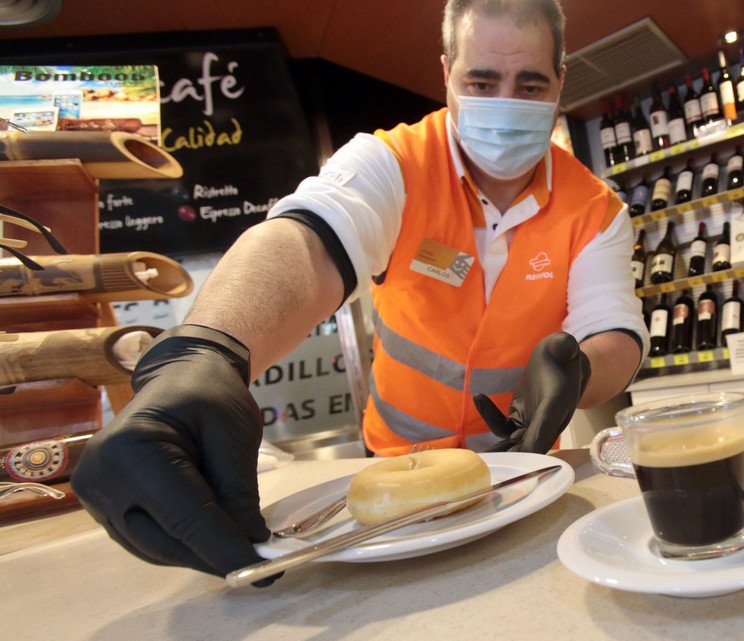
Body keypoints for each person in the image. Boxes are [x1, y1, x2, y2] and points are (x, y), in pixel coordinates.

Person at [70, 0, 647, 585]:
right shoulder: (390, 163)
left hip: (524, 472)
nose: (505, 102)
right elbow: (308, 241)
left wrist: (580, 371)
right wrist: (206, 351)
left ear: (560, 82)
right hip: (396, 470)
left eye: (530, 84)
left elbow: (615, 330)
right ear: (446, 72)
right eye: (481, 81)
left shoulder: (595, 210)